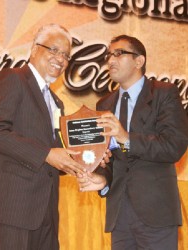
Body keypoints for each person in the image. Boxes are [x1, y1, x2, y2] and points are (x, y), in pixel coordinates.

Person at [0, 23, 86, 250]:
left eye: (66, 55)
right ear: (35, 48)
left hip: (46, 213)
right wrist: (46, 154)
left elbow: (56, 155)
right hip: (13, 209)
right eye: (54, 50)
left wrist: (84, 160)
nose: (61, 58)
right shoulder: (13, 79)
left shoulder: (56, 102)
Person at [77, 35, 188, 250]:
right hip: (119, 215)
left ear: (139, 61)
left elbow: (174, 146)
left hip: (156, 212)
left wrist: (126, 138)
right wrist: (102, 179)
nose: (110, 60)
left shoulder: (164, 94)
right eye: (108, 55)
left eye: (119, 54)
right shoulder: (104, 103)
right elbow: (109, 157)